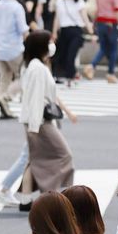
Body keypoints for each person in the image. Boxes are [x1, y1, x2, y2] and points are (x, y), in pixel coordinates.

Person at [20, 30, 77, 197]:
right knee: (64, 155)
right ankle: (51, 194)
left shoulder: (32, 65)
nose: (52, 45)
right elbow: (36, 97)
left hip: (36, 120)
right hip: (39, 122)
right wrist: (34, 127)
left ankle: (26, 198)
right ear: (42, 46)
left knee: (35, 158)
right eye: (49, 42)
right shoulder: (38, 68)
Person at [0, 0, 29, 119]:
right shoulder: (16, 7)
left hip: (0, 47)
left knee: (4, 77)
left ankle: (4, 109)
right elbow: (23, 29)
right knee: (25, 76)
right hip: (14, 48)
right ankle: (5, 97)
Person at [52, 0, 92, 86]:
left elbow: (85, 18)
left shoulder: (79, 2)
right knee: (63, 55)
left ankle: (70, 77)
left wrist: (91, 31)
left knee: (71, 55)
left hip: (76, 31)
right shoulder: (60, 1)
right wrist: (54, 32)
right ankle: (69, 75)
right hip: (64, 31)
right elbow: (57, 18)